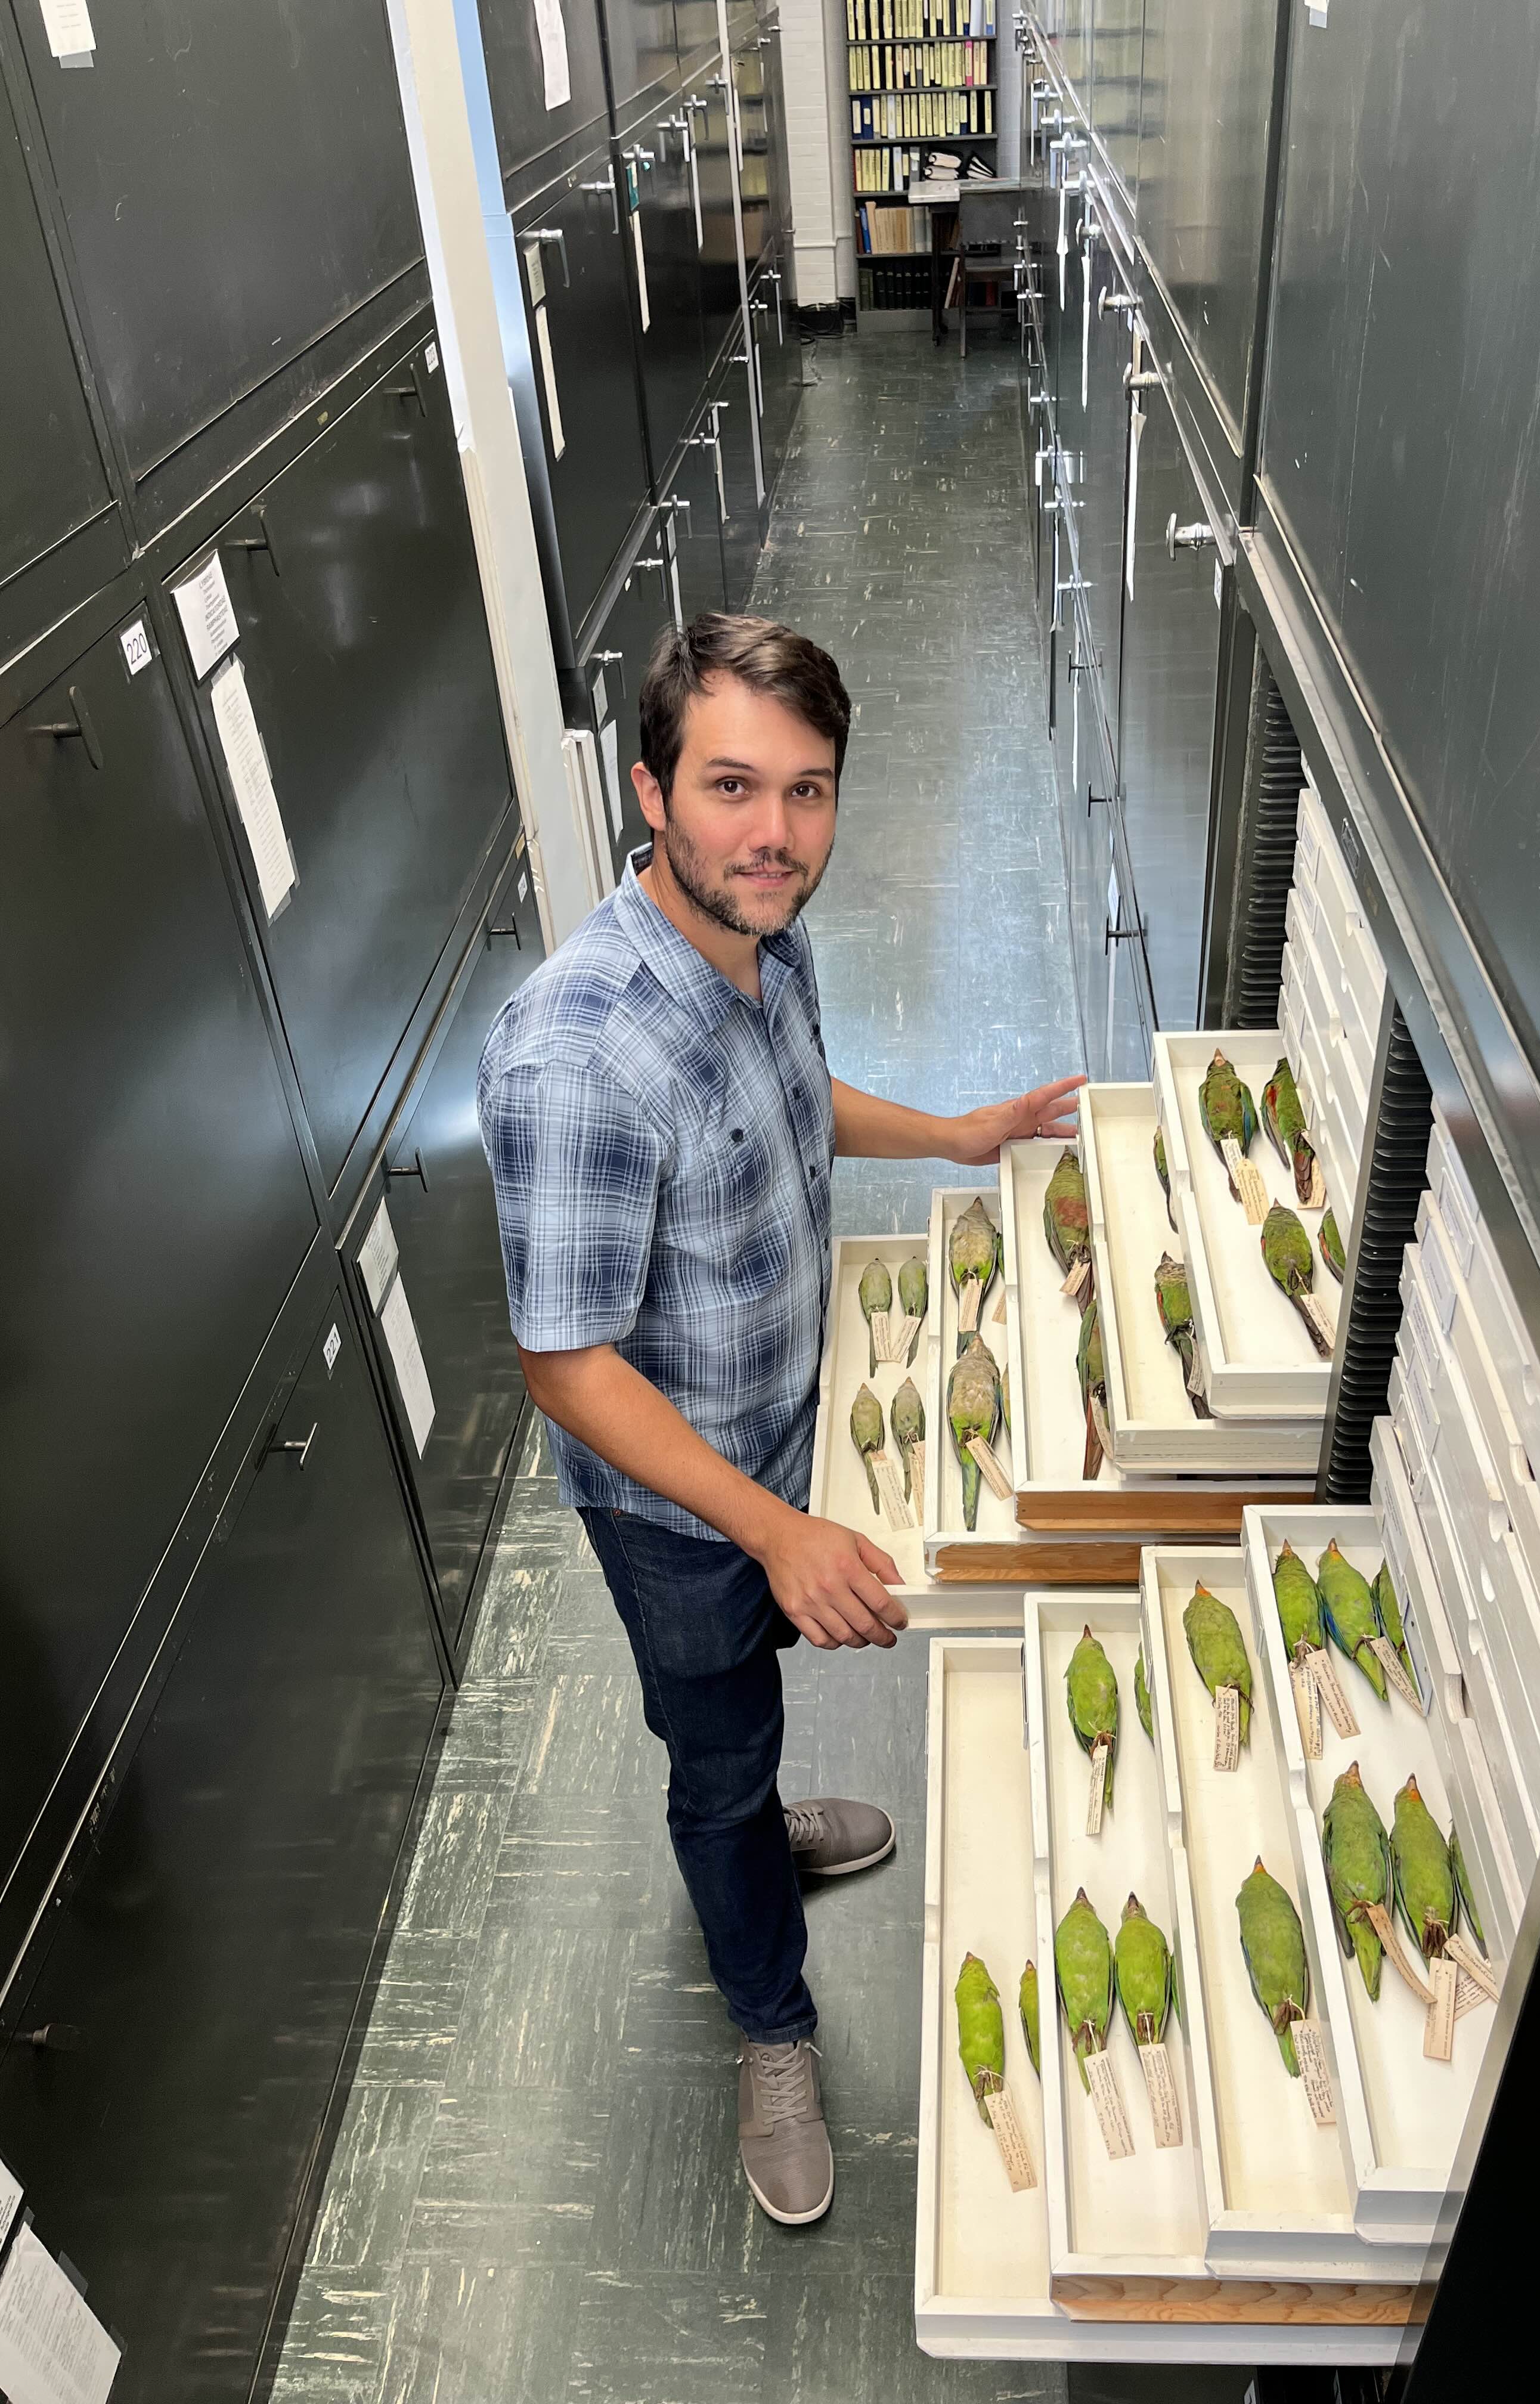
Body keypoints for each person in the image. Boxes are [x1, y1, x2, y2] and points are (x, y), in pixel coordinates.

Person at [477, 612, 1082, 2225]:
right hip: (683, 1514)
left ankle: (757, 1819)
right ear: (649, 788)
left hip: (778, 1439)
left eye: (808, 793)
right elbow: (565, 1361)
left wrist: (951, 1135)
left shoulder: (763, 937)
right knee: (715, 1749)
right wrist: (777, 1529)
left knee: (749, 1702)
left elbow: (797, 1105)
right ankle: (769, 2011)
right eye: (734, 787)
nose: (776, 834)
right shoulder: (577, 1058)